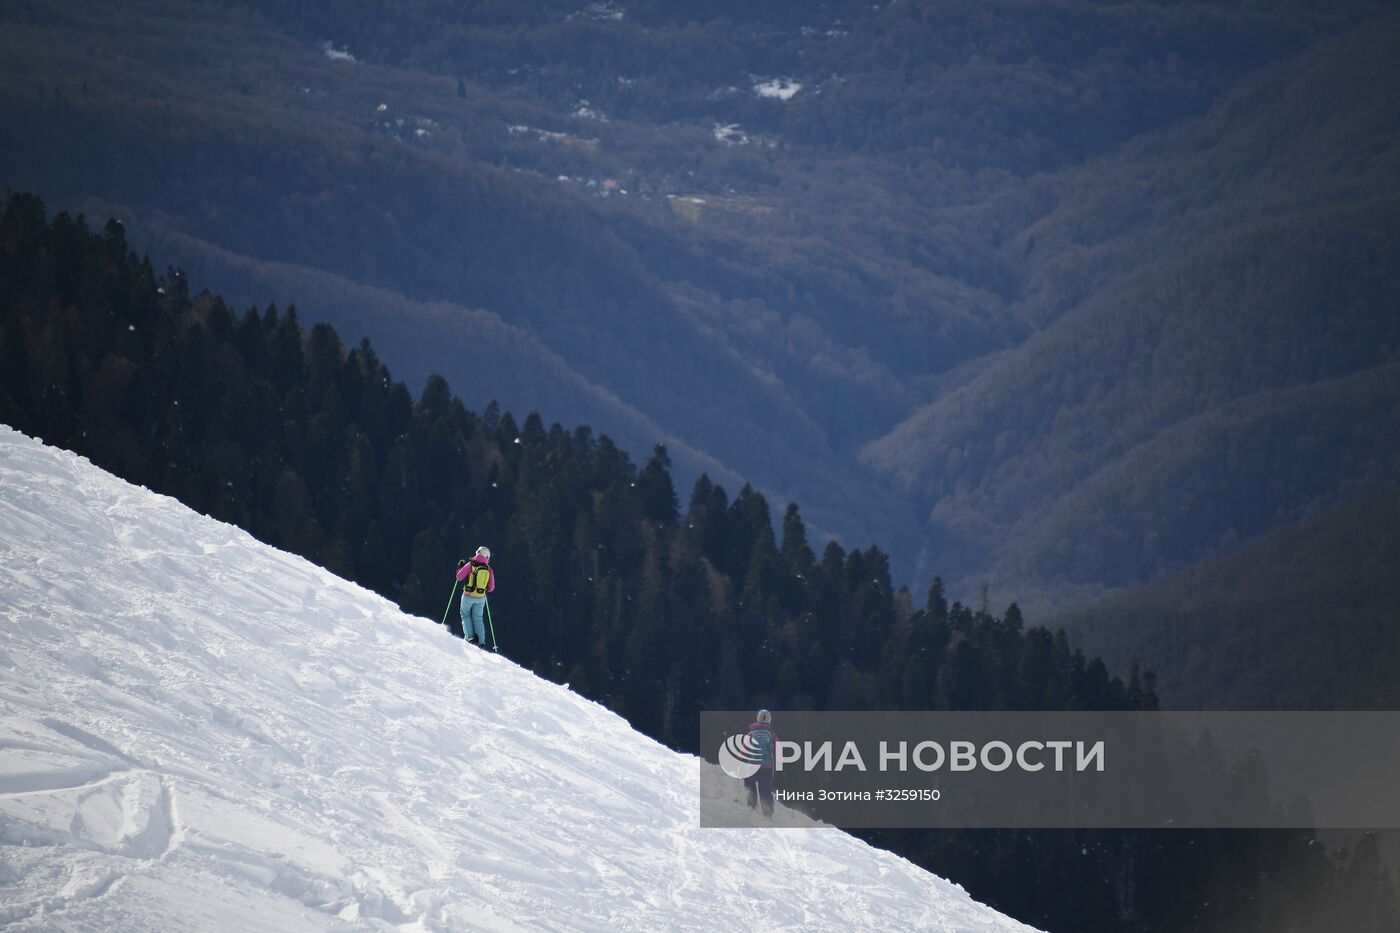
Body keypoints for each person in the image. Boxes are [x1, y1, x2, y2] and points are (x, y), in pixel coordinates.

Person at [455, 546, 495, 647]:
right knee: (478, 618)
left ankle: (470, 637)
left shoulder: (470, 564)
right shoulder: (488, 569)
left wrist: (460, 567)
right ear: (487, 557)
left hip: (468, 595)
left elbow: (459, 577)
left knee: (465, 615)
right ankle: (481, 642)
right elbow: (491, 588)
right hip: (481, 597)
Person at [744, 709, 777, 817]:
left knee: (749, 783)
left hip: (752, 765)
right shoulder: (772, 734)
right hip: (767, 767)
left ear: (758, 718)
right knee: (765, 789)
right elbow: (778, 749)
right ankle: (768, 811)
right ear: (769, 720)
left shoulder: (751, 733)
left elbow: (744, 749)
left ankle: (751, 804)